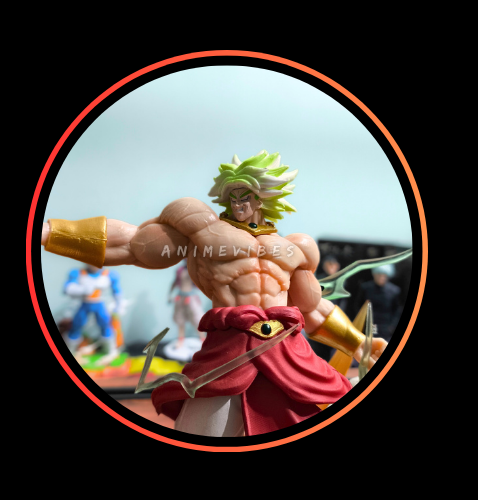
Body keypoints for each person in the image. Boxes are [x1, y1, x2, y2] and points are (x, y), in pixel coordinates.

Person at [42, 150, 386, 437]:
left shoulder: (296, 247)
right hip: (230, 353)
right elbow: (132, 245)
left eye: (246, 195)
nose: (238, 202)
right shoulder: (202, 230)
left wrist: (359, 343)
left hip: (289, 352)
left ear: (266, 197)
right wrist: (48, 232)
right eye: (232, 194)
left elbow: (311, 307)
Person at [62, 265, 122, 357]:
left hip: (99, 304)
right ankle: (71, 350)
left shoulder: (109, 274)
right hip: (85, 304)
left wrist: (118, 306)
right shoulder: (78, 273)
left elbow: (117, 291)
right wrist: (82, 290)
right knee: (76, 325)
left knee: (105, 325)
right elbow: (68, 289)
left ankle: (110, 351)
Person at [165, 262, 205, 362]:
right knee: (180, 319)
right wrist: (169, 295)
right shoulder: (180, 270)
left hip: (191, 297)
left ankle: (203, 339)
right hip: (181, 297)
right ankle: (180, 340)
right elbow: (174, 282)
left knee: (197, 319)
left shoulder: (194, 270)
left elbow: (200, 283)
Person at [354, 264, 402, 343]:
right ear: (374, 275)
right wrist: (362, 321)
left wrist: (392, 327)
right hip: (370, 324)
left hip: (385, 326)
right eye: (378, 275)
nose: (381, 278)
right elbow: (358, 305)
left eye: (383, 275)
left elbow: (397, 310)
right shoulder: (366, 288)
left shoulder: (394, 291)